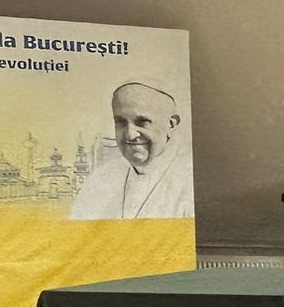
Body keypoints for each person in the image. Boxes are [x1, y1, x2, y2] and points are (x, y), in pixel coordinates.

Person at [67, 81, 194, 218]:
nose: (130, 135)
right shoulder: (99, 180)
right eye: (120, 123)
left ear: (171, 124)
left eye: (142, 122)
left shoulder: (191, 180)